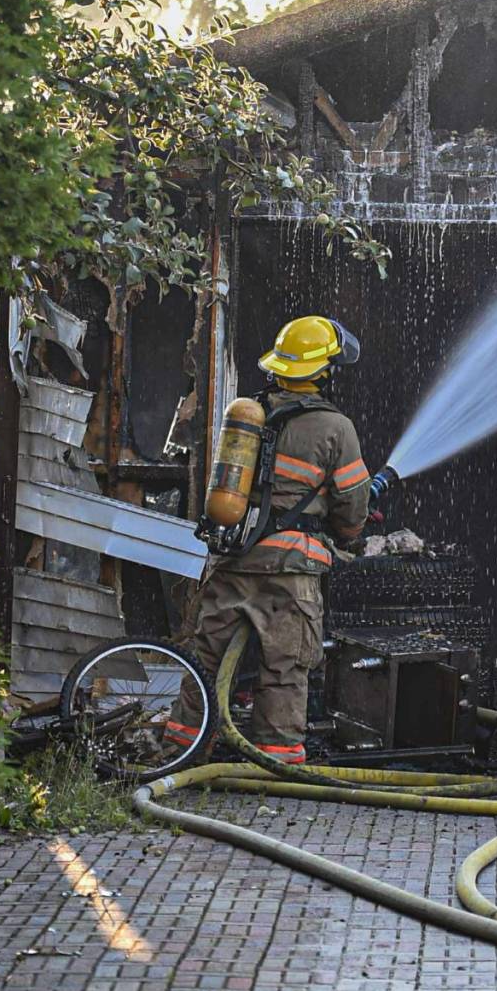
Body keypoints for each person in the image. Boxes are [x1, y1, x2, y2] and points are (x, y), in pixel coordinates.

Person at [186, 315, 372, 762]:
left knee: (205, 661)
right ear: (323, 372)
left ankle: (184, 746)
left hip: (231, 558)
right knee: (285, 664)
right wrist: (348, 537)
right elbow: (352, 506)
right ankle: (276, 759)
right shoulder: (335, 428)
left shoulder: (248, 413)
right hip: (289, 571)